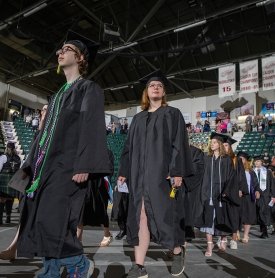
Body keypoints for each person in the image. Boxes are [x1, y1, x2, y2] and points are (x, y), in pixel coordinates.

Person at [16, 30, 112, 278]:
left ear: (80, 58)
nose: (60, 51)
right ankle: (51, 269)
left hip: (68, 167)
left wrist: (85, 164)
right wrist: (30, 166)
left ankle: (79, 265)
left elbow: (91, 127)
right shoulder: (58, 95)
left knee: (55, 219)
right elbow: (45, 135)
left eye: (67, 49)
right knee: (41, 218)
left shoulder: (88, 88)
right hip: (46, 168)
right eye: (60, 49)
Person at [118, 70, 193, 278]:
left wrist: (177, 171)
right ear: (146, 91)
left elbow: (179, 144)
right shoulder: (138, 118)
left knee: (166, 215)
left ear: (164, 91)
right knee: (140, 216)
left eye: (159, 85)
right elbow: (128, 148)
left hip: (162, 176)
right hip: (139, 176)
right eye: (152, 85)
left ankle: (177, 251)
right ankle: (139, 266)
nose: (156, 88)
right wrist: (124, 170)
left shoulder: (173, 114)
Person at [196, 132, 239, 257]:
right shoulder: (206, 159)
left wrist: (227, 192)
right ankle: (209, 246)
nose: (212, 144)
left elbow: (231, 178)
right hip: (208, 195)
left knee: (222, 219)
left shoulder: (226, 160)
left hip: (222, 196)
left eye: (214, 142)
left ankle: (223, 239)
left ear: (220, 144)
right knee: (208, 221)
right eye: (211, 142)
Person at [222, 135, 247, 250]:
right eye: (223, 145)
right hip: (222, 191)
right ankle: (223, 238)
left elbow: (241, 175)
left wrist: (241, 189)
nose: (224, 147)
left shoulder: (235, 159)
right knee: (222, 215)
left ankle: (233, 239)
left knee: (233, 216)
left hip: (234, 191)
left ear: (230, 147)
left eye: (226, 145)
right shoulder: (220, 158)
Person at [237, 152, 260, 243]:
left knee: (249, 216)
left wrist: (257, 191)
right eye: (239, 158)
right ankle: (237, 231)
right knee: (237, 215)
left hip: (249, 196)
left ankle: (246, 235)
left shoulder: (250, 171)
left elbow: (256, 184)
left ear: (246, 160)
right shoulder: (234, 169)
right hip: (238, 196)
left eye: (242, 158)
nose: (240, 160)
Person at [253, 156, 274, 238]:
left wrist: (273, 195)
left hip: (265, 195)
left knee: (263, 212)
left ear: (261, 162)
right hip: (255, 194)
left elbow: (272, 184)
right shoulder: (252, 171)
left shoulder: (267, 172)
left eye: (258, 161)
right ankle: (263, 230)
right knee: (258, 212)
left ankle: (264, 231)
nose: (256, 163)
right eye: (255, 161)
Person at [0, 142, 21, 225]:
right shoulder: (18, 158)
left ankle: (0, 219)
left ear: (6, 148)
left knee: (1, 199)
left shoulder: (3, 157)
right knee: (10, 199)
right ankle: (8, 217)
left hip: (4, 181)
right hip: (13, 181)